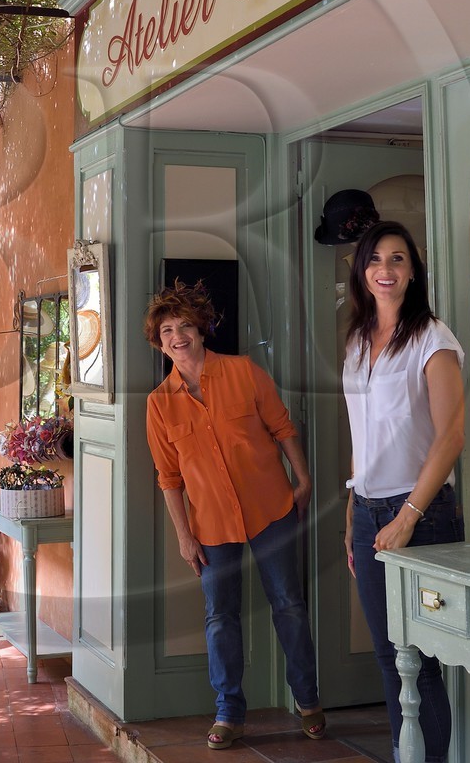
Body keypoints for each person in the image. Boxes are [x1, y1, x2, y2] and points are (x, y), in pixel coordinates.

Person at [143, 281, 323, 751]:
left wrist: (303, 480)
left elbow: (283, 428)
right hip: (211, 524)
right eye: (167, 330)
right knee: (220, 616)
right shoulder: (159, 403)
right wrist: (184, 536)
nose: (177, 336)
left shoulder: (244, 372)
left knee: (289, 605)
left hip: (272, 510)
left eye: (185, 326)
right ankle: (229, 712)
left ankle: (308, 701)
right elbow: (168, 478)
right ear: (159, 342)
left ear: (202, 329)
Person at [342, 221, 465, 762]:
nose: (385, 270)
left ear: (413, 271)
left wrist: (409, 515)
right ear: (361, 272)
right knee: (390, 658)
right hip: (370, 511)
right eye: (375, 260)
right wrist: (353, 512)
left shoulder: (432, 337)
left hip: (422, 511)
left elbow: (453, 434)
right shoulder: (355, 341)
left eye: (397, 259)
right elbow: (361, 437)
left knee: (419, 659)